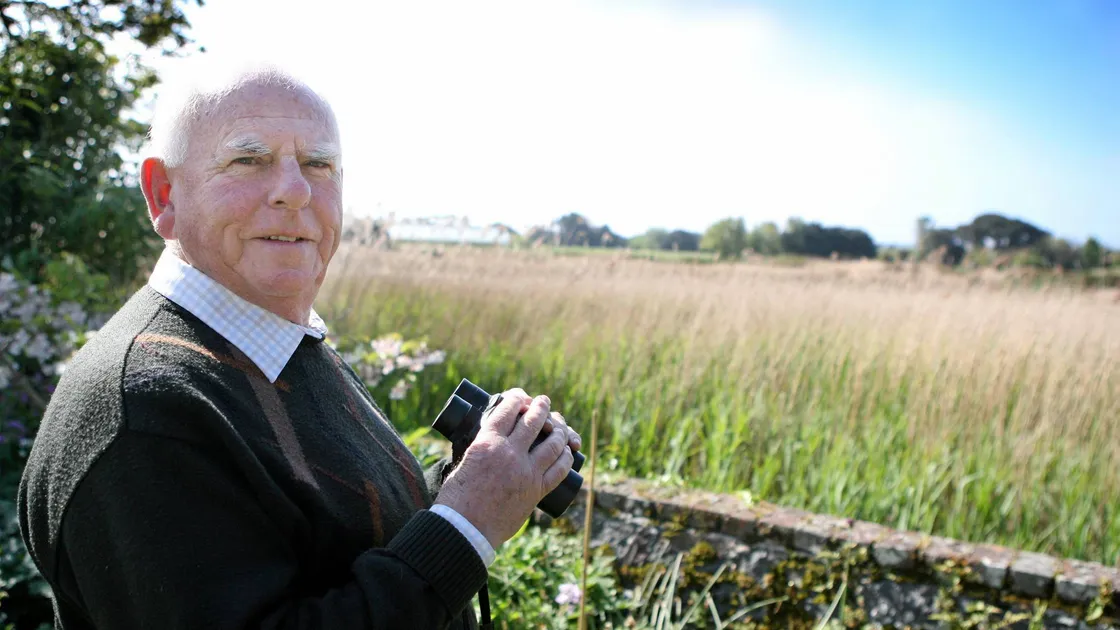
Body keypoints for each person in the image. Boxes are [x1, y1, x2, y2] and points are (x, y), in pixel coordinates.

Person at [17, 62, 582, 630]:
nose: (294, 191)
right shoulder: (142, 411)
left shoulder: (279, 342)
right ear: (163, 194)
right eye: (249, 160)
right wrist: (466, 524)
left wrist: (480, 473)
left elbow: (334, 545)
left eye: (319, 164)